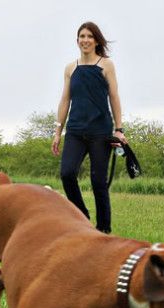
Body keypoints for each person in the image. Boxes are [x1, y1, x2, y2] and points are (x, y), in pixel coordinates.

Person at [52, 21, 127, 234]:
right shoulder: (70, 68)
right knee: (67, 174)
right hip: (75, 131)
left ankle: (103, 230)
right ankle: (82, 217)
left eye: (89, 36)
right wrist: (58, 132)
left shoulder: (106, 65)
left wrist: (119, 130)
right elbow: (65, 100)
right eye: (82, 36)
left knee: (98, 182)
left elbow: (114, 97)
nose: (85, 40)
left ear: (96, 41)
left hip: (100, 132)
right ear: (77, 40)